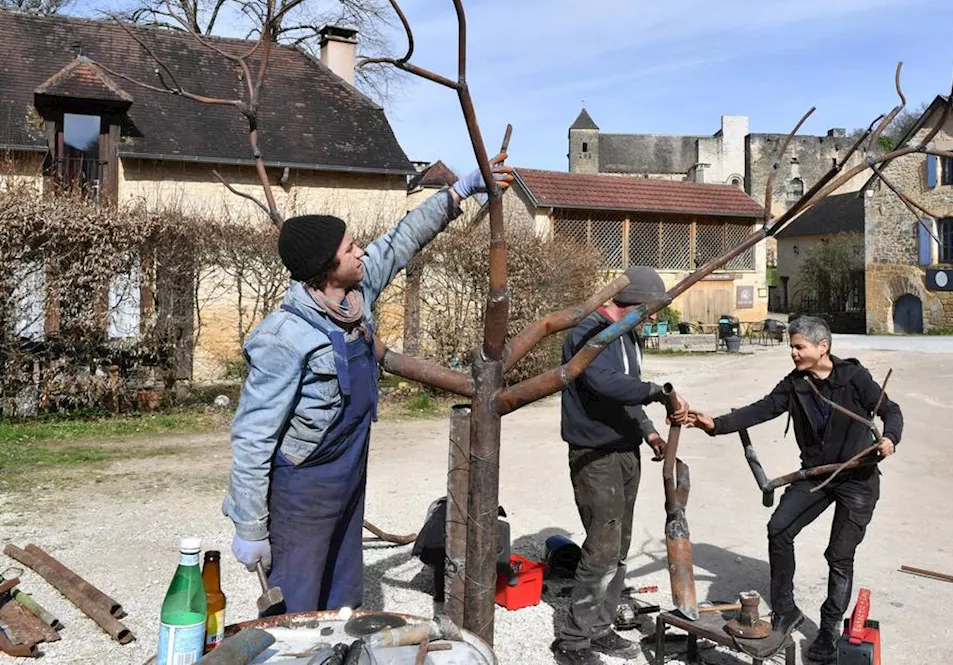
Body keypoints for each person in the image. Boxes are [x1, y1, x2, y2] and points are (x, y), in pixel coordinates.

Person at [222, 155, 513, 614]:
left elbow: (403, 238)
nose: (361, 252)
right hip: (303, 488)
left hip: (350, 473)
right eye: (350, 248)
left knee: (343, 597)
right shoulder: (283, 337)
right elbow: (253, 437)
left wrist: (462, 190)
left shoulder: (358, 295)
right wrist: (250, 527)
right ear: (324, 268)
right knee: (297, 608)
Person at [687, 315, 902, 664]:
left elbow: (890, 410)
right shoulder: (796, 384)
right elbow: (762, 409)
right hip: (815, 476)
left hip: (857, 479)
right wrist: (715, 424)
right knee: (779, 529)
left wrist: (890, 438)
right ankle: (786, 611)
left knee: (839, 555)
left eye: (798, 346)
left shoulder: (854, 377)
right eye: (792, 346)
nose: (793, 352)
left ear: (823, 347)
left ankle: (829, 629)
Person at [551, 266, 691, 665]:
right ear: (635, 304)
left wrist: (648, 432)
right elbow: (604, 382)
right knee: (601, 547)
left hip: (626, 451)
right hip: (594, 455)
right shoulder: (589, 333)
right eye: (650, 310)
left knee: (621, 546)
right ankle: (574, 641)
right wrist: (659, 393)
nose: (652, 318)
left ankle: (601, 627)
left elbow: (624, 395)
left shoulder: (628, 335)